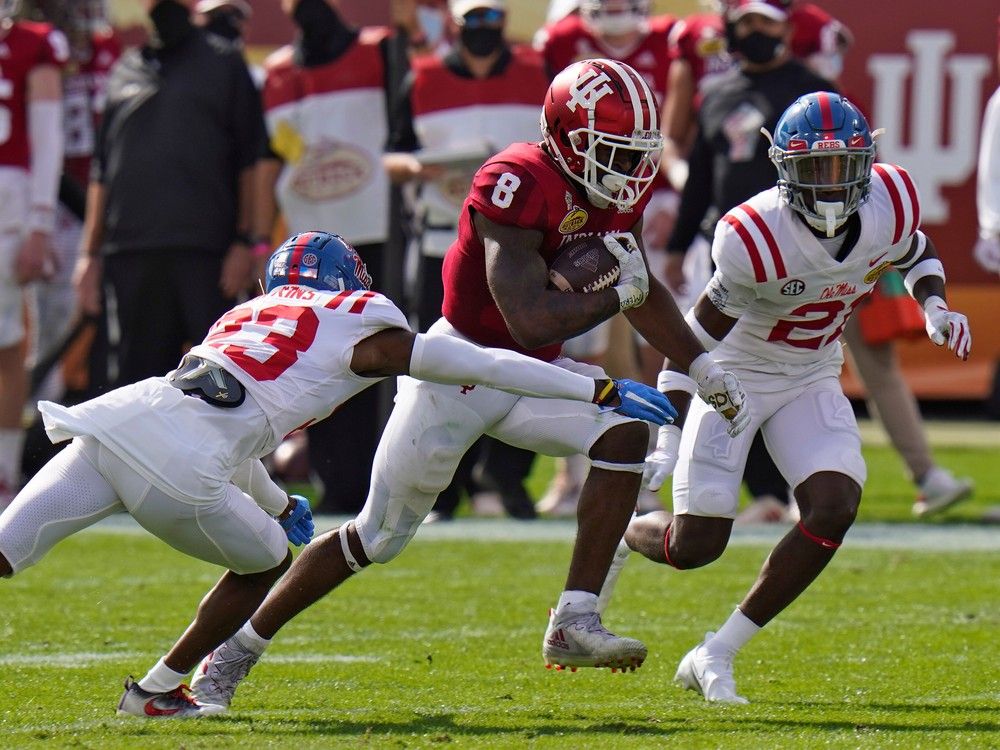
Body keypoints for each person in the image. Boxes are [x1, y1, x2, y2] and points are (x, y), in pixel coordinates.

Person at [170, 58, 752, 713]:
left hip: (535, 379)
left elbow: (633, 280)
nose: (628, 169)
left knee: (625, 430)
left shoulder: (613, 187)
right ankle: (235, 652)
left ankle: (574, 619)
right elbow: (527, 320)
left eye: (635, 154)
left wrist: (701, 366)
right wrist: (619, 291)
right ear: (565, 136)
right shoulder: (515, 181)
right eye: (613, 151)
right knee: (374, 538)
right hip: (458, 369)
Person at [0, 230, 677, 717]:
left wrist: (273, 497)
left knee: (7, 550)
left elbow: (220, 415)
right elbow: (481, 364)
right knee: (265, 566)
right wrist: (596, 392)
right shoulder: (360, 318)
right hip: (184, 461)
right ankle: (155, 690)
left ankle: (161, 686)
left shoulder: (244, 312)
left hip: (115, 420)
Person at [610, 91, 972, 703]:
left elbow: (915, 252)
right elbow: (692, 338)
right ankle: (623, 529)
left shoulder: (891, 199)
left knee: (833, 506)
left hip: (811, 373)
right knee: (696, 545)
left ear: (867, 162)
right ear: (783, 169)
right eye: (814, 171)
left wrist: (933, 303)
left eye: (842, 168)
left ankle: (715, 652)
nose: (831, 187)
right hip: (735, 378)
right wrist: (668, 430)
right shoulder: (753, 235)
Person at [385, 0, 551, 521]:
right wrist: (421, 168)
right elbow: (389, 156)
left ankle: (506, 478)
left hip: (523, 240)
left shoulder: (535, 74)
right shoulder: (424, 77)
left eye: (492, 17)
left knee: (527, 353)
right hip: (444, 238)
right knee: (441, 361)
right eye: (474, 18)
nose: (484, 28)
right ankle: (445, 487)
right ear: (455, 22)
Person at [258, 0, 409, 514]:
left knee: (379, 363)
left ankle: (386, 481)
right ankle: (335, 480)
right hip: (305, 255)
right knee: (314, 367)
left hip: (375, 237)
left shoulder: (380, 51)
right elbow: (268, 159)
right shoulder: (276, 72)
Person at [74, 0, 264, 392]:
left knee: (218, 382)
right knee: (135, 389)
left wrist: (248, 242)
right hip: (130, 256)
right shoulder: (124, 68)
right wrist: (88, 257)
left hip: (206, 256)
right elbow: (101, 170)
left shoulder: (225, 63)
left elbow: (253, 160)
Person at [0, 0, 66, 506]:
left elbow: (47, 134)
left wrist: (41, 222)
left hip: (10, 202)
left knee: (6, 346)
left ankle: (3, 471)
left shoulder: (31, 43)